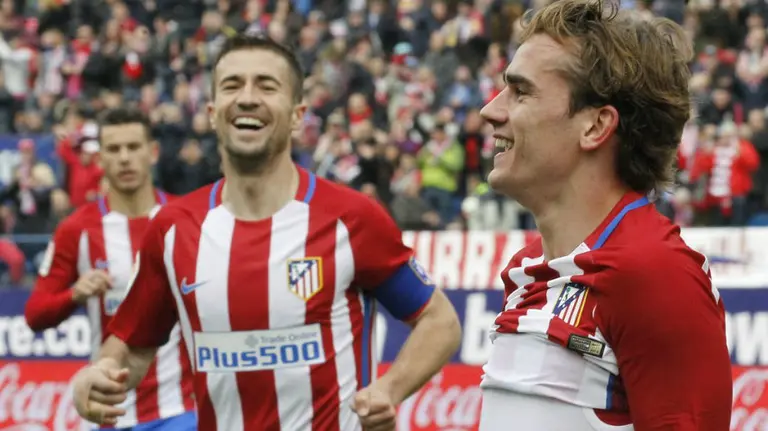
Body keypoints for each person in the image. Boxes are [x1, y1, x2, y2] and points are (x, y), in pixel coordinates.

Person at [70, 33, 462, 431]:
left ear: (297, 115)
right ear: (212, 112)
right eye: (232, 85)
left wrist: (389, 390)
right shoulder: (173, 229)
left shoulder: (351, 218)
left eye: (266, 86)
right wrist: (100, 374)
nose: (247, 98)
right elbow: (132, 347)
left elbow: (440, 321)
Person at [477, 1, 732, 430]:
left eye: (521, 92)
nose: (491, 111)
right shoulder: (525, 267)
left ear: (595, 126)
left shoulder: (657, 273)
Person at [24, 107, 196, 430]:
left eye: (133, 147)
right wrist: (74, 294)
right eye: (114, 149)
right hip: (108, 414)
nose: (125, 158)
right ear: (100, 158)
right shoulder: (77, 229)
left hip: (180, 410)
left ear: (153, 152)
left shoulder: (186, 219)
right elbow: (35, 314)